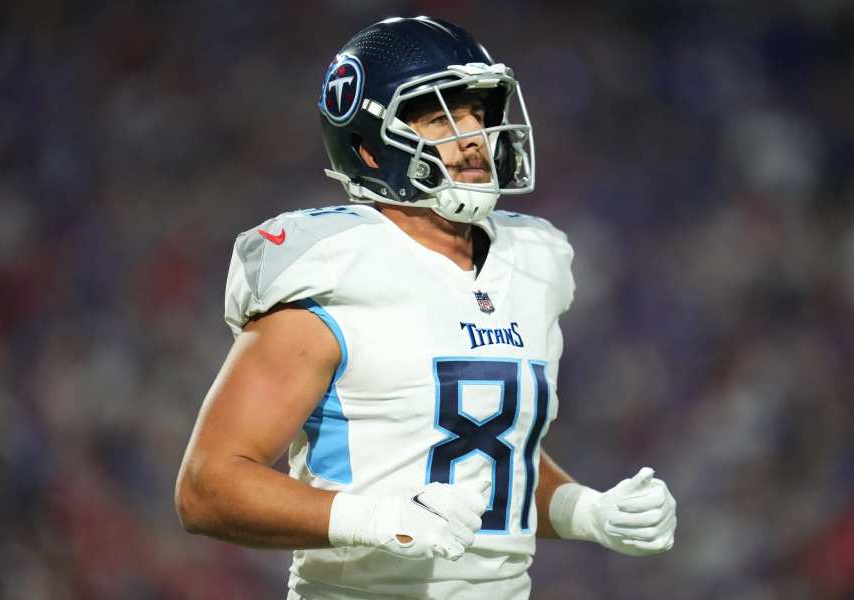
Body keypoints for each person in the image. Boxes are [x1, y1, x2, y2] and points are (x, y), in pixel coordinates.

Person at [175, 16, 678, 600]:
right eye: (441, 118)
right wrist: (375, 518)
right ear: (369, 144)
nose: (473, 139)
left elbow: (485, 458)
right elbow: (207, 486)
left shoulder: (534, 261)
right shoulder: (337, 269)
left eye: (478, 115)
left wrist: (584, 510)